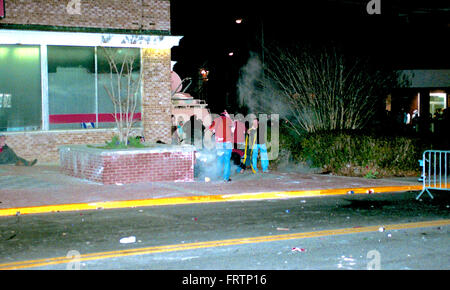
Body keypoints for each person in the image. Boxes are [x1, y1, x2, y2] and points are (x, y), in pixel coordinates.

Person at [209, 110, 235, 182]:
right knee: (227, 161)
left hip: (219, 143)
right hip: (228, 143)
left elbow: (211, 129)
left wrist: (216, 131)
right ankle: (226, 178)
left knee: (219, 160)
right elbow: (233, 130)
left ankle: (217, 176)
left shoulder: (216, 120)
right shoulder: (229, 120)